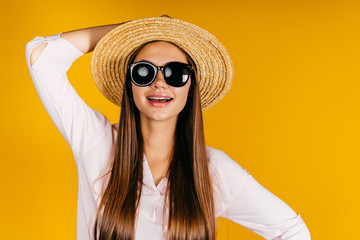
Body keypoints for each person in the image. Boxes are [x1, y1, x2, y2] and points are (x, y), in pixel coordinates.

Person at [25, 15, 311, 240]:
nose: (159, 83)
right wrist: (136, 29)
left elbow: (292, 232)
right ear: (130, 85)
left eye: (175, 73)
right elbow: (41, 57)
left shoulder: (214, 170)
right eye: (144, 71)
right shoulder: (96, 143)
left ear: (191, 87)